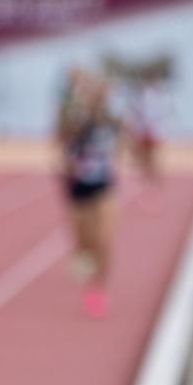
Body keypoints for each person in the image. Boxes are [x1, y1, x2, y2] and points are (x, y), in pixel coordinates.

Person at [57, 68, 123, 318]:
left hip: (104, 188)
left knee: (104, 241)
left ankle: (97, 290)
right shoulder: (72, 118)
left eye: (101, 93)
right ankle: (84, 260)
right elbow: (61, 138)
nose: (96, 96)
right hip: (77, 190)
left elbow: (124, 132)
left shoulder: (111, 119)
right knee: (84, 245)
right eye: (91, 92)